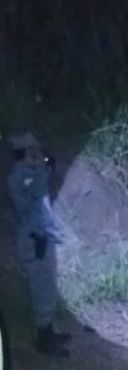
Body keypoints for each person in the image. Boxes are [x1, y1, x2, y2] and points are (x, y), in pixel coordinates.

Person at [7, 132, 70, 357]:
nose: (38, 153)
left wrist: (43, 167)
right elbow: (29, 202)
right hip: (34, 241)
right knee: (41, 288)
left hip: (43, 236)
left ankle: (48, 332)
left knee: (48, 286)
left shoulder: (31, 173)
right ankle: (43, 340)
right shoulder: (19, 177)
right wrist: (41, 170)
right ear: (23, 153)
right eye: (32, 150)